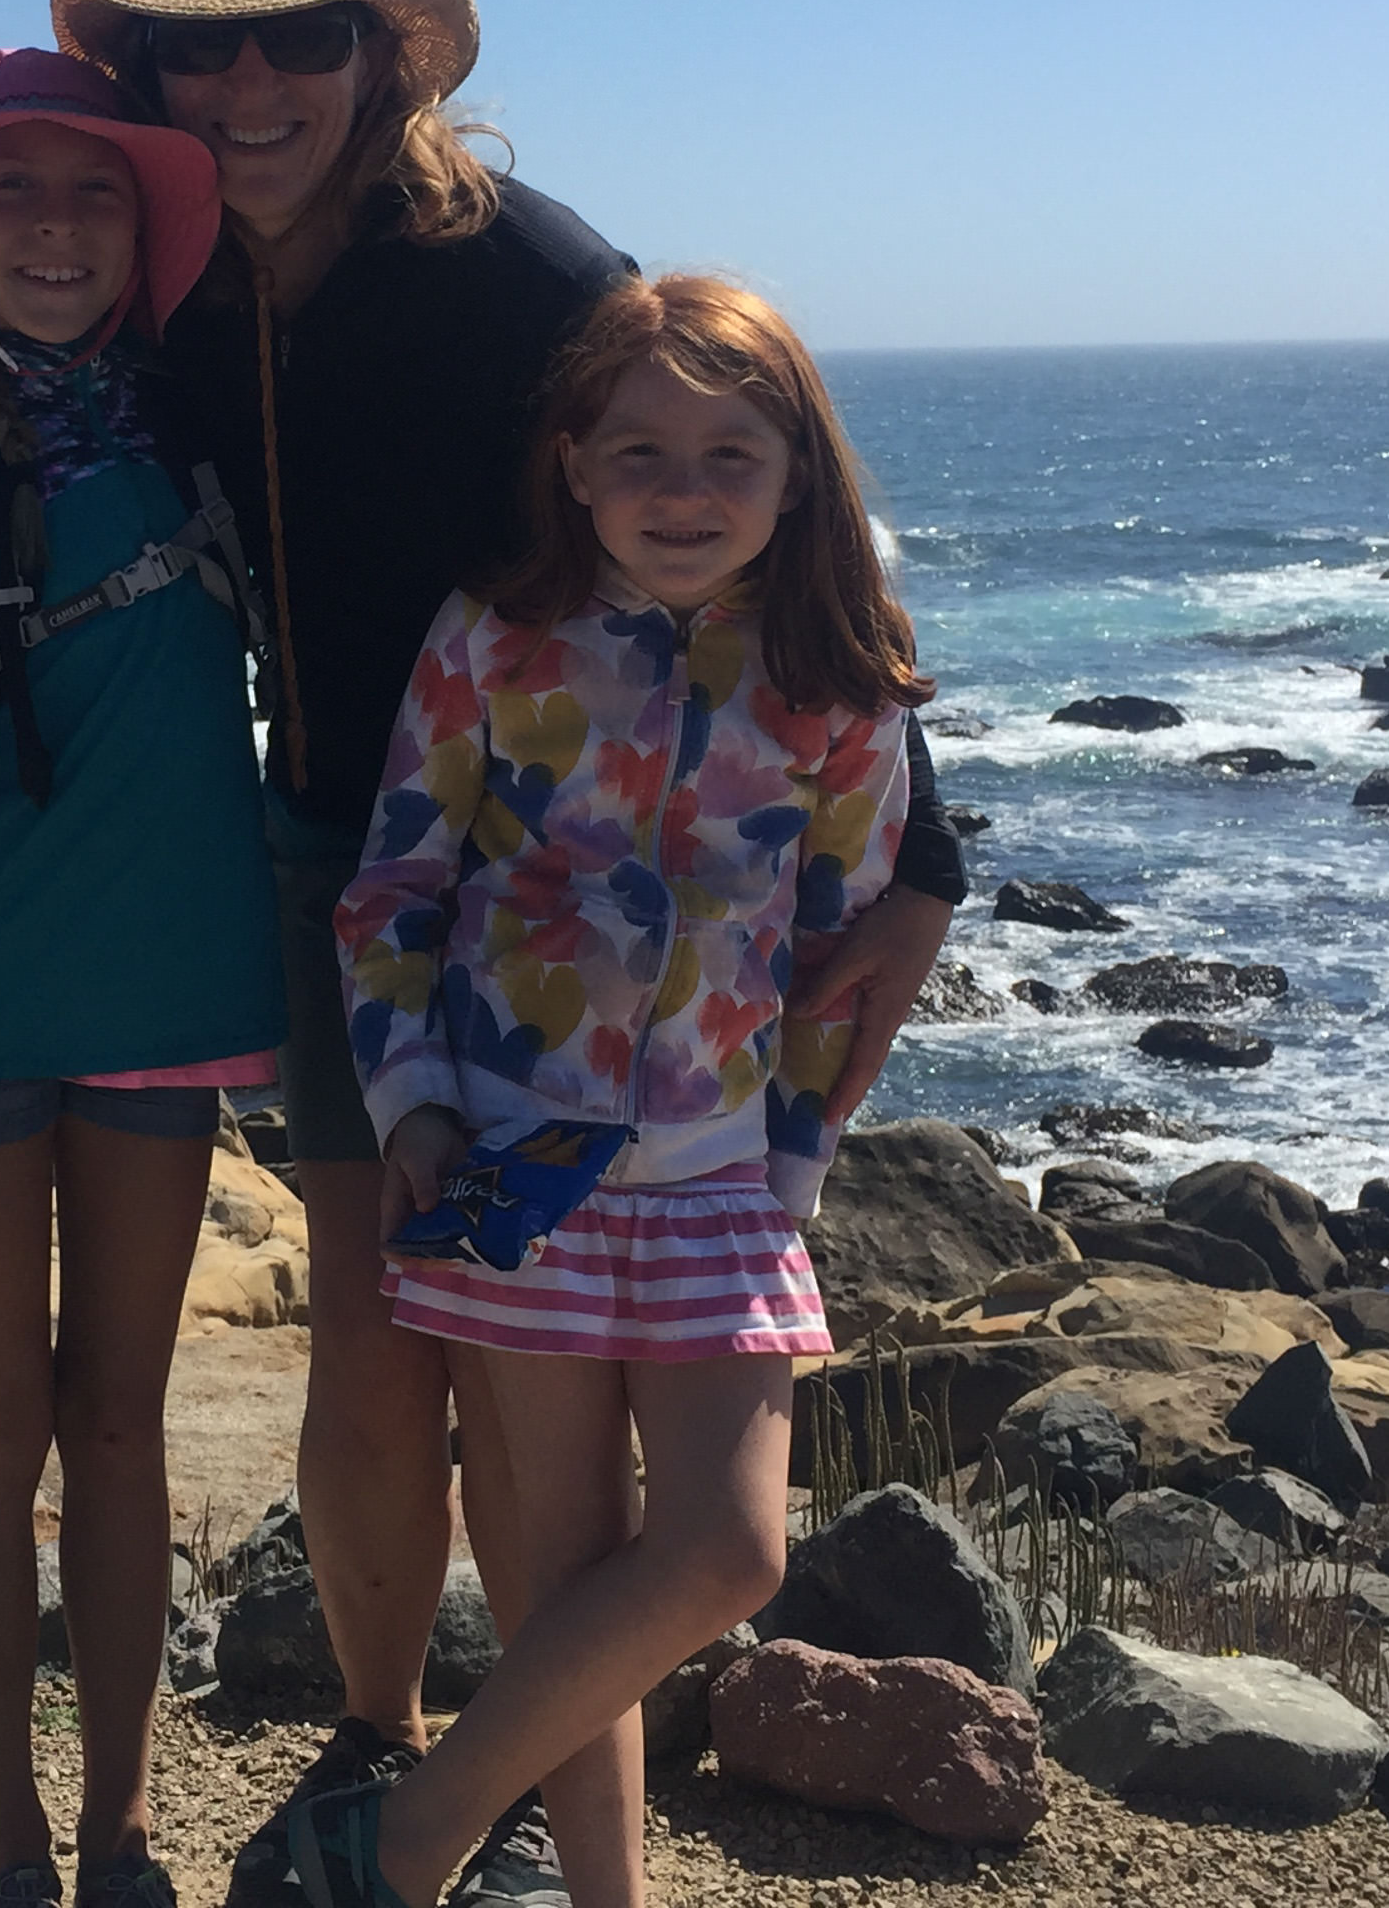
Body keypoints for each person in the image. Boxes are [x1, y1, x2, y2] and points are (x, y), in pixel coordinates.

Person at [0, 0, 970, 1908]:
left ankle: (487, 1797)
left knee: (499, 1389)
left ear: (379, 58)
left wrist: (925, 841)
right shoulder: (145, 289)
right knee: (367, 1337)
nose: (249, 98)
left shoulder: (522, 271)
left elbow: (753, 486)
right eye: (195, 60)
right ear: (144, 83)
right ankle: (381, 1739)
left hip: (562, 883)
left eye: (298, 46)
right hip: (356, 860)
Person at [289, 276, 931, 1908]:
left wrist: (793, 1179)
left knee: (727, 1550)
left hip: (723, 1178)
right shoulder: (492, 635)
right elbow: (391, 891)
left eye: (732, 453)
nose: (683, 489)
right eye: (639, 450)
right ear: (572, 465)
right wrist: (414, 1109)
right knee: (567, 1587)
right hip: (513, 1159)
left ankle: (417, 1832)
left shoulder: (841, 685)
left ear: (799, 478)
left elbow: (842, 966)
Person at [0, 45, 288, 1908]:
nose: (57, 225)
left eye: (92, 188)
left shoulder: (195, 419)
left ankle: (121, 1834)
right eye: (7, 189)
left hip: (167, 999)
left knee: (123, 1421)